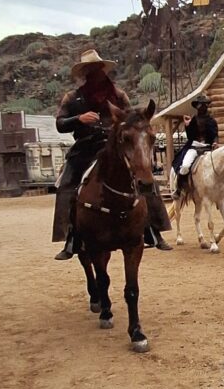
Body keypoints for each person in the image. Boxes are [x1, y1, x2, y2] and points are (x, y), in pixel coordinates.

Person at [51, 49, 173, 260]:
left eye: (97, 68)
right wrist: (78, 119)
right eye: (90, 69)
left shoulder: (118, 95)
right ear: (85, 72)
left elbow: (130, 117)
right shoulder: (72, 97)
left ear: (102, 69)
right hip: (85, 146)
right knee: (67, 184)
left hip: (114, 144)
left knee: (144, 175)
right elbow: (60, 123)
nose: (95, 72)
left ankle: (153, 229)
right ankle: (72, 236)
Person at [173, 94, 219, 199]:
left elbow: (215, 134)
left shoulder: (212, 121)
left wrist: (215, 142)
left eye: (203, 105)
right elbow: (190, 136)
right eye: (199, 105)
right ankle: (179, 189)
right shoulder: (193, 120)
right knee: (184, 166)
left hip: (207, 148)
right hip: (194, 147)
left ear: (206, 106)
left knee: (220, 164)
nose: (201, 107)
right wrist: (187, 125)